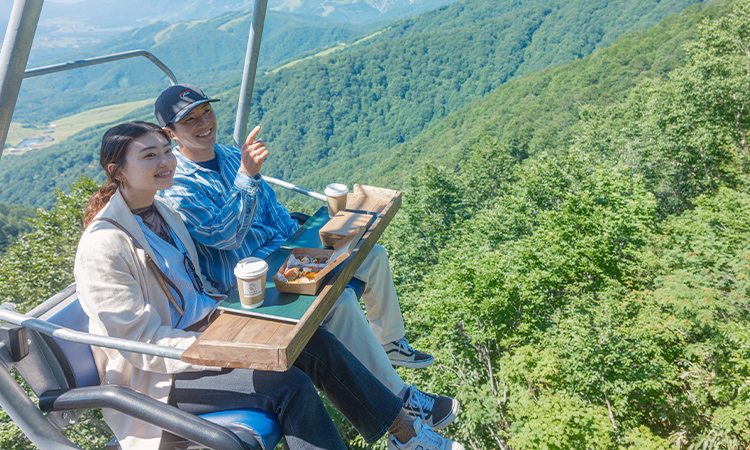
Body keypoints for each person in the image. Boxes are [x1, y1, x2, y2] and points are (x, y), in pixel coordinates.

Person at [74, 121, 464, 450]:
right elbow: (137, 342)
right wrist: (218, 348)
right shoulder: (104, 244)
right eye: (148, 155)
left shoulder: (162, 209)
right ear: (118, 170)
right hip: (163, 377)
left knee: (316, 342)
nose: (164, 161)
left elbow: (193, 288)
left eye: (165, 151)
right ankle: (407, 431)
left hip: (206, 333)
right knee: (287, 383)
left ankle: (407, 434)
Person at [154, 83, 459, 429]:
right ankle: (401, 399)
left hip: (284, 257)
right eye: (189, 119)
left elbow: (270, 207)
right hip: (251, 283)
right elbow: (224, 236)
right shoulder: (176, 184)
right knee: (339, 302)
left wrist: (304, 244)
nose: (203, 122)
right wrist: (247, 176)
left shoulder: (227, 155)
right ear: (171, 133)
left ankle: (389, 344)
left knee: (372, 255)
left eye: (206, 111)